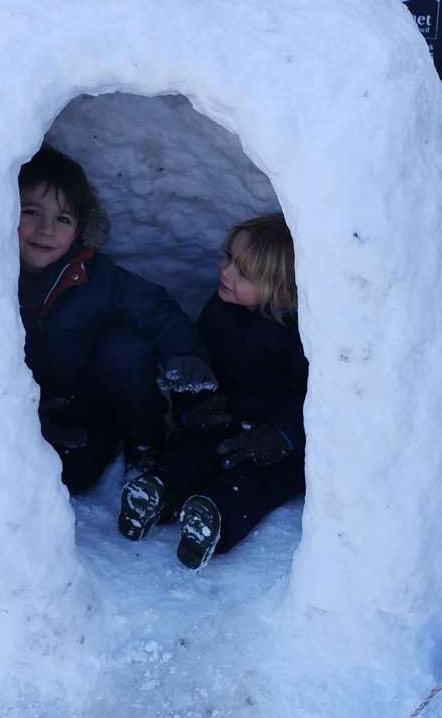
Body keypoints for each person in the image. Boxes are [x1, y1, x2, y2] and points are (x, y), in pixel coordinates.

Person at [16, 145, 216, 491]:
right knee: (43, 475)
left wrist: (185, 353)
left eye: (63, 218)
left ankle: (144, 447)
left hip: (85, 404)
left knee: (126, 350)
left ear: (79, 229)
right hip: (26, 408)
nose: (47, 230)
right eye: (32, 212)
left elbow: (156, 308)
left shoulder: (94, 276)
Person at [118, 213, 308, 570]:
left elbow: (312, 400)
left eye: (244, 272)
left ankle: (213, 518)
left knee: (256, 480)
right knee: (192, 454)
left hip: (269, 440)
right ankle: (158, 493)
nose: (226, 271)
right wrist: (192, 409)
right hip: (225, 417)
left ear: (282, 291)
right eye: (229, 257)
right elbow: (201, 367)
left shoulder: (297, 336)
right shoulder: (219, 309)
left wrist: (281, 436)